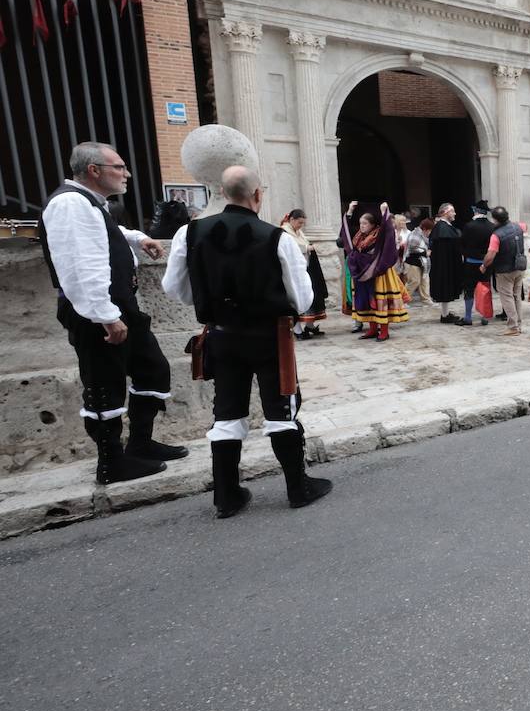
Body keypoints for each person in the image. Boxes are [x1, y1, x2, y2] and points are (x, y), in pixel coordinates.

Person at [162, 165, 332, 518]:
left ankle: (227, 496)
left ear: (223, 193)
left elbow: (174, 288)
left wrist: (212, 302)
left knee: (226, 413)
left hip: (221, 335)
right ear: (258, 195)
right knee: (281, 411)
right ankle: (297, 488)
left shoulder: (189, 234)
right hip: (270, 336)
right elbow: (301, 298)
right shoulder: (277, 238)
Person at [37, 141, 186, 484]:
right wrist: (105, 315)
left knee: (152, 369)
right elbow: (81, 265)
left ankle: (140, 444)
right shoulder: (69, 203)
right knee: (105, 384)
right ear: (94, 171)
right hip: (98, 315)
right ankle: (111, 463)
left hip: (119, 308)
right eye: (119, 167)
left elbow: (102, 231)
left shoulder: (86, 203)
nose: (126, 174)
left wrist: (136, 238)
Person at [341, 200, 409, 341]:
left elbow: (388, 230)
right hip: (361, 273)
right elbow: (345, 232)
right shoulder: (359, 236)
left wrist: (385, 212)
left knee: (380, 301)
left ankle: (384, 331)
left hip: (378, 272)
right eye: (360, 223)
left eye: (365, 223)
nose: (362, 226)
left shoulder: (379, 235)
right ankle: (372, 329)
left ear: (372, 225)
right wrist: (349, 212)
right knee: (366, 301)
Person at [280, 209, 328, 338]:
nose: (301, 225)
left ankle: (310, 325)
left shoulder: (298, 232)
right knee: (296, 299)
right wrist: (306, 248)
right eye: (299, 222)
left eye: (303, 223)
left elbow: (304, 243)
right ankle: (297, 330)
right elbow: (290, 248)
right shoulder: (284, 232)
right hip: (293, 272)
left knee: (310, 296)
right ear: (292, 220)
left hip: (305, 269)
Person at [480, 206, 524, 336]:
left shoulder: (496, 235)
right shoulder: (518, 227)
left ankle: (513, 327)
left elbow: (491, 255)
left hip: (504, 270)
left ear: (495, 219)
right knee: (516, 297)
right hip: (519, 266)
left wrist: (484, 265)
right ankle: (518, 324)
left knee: (507, 297)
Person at [458, 200, 496, 326]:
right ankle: (484, 316)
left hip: (471, 263)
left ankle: (468, 317)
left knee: (469, 289)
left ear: (476, 211)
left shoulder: (469, 226)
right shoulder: (492, 227)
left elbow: (462, 244)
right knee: (485, 288)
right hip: (486, 263)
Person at [428, 202, 464, 323]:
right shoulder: (442, 228)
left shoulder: (444, 227)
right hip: (445, 266)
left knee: (446, 289)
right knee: (445, 288)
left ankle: (445, 313)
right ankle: (445, 315)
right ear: (445, 212)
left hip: (447, 265)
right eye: (452, 211)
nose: (454, 213)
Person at [404, 218, 433, 306]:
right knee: (414, 281)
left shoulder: (422, 235)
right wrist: (425, 253)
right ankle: (402, 300)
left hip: (422, 263)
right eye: (430, 230)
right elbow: (412, 248)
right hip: (413, 263)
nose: (430, 233)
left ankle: (426, 300)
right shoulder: (415, 234)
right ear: (425, 229)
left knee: (425, 281)